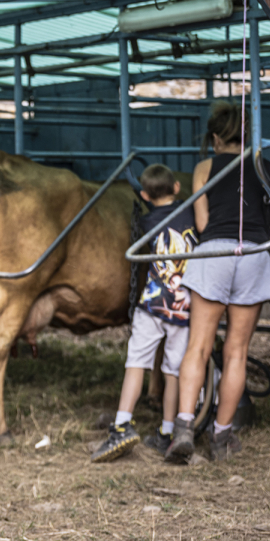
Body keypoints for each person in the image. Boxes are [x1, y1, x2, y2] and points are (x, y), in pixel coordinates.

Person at [165, 102, 270, 464]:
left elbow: (202, 224)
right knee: (236, 351)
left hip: (213, 255)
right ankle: (222, 437)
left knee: (199, 347)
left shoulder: (205, 167)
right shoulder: (269, 168)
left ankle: (185, 429)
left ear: (217, 137)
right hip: (254, 254)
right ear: (249, 136)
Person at [91, 164, 198, 463]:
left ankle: (123, 424)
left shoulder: (147, 221)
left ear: (144, 195)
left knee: (136, 363)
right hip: (183, 307)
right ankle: (167, 430)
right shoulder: (192, 214)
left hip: (152, 305)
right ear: (177, 187)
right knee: (173, 370)